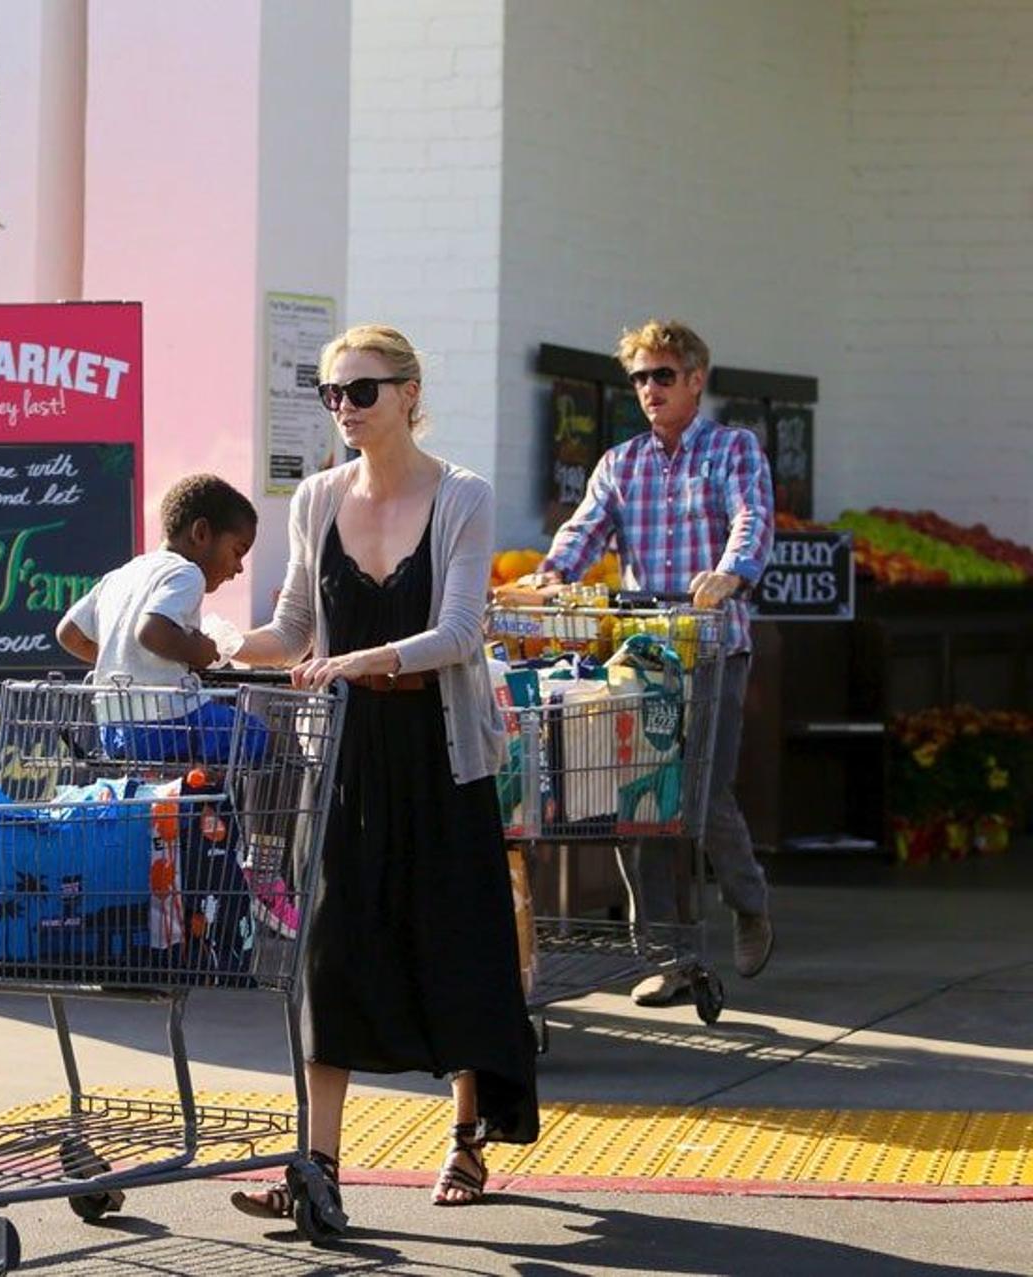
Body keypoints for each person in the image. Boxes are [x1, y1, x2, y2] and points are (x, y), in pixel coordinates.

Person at [230, 324, 538, 1229]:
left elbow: (460, 633)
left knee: (455, 946)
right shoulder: (317, 497)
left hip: (442, 760)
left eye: (360, 391)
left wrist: (358, 659)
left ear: (409, 393)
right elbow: (291, 625)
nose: (343, 410)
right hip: (350, 765)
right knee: (332, 955)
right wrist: (215, 643)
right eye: (331, 393)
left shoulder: (463, 497)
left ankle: (467, 1135)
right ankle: (316, 1166)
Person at [531, 319, 775, 1006]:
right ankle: (667, 955)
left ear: (696, 379)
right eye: (639, 377)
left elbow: (751, 518)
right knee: (640, 797)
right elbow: (582, 531)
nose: (648, 389)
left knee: (704, 788)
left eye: (662, 375)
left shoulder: (733, 449)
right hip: (644, 657)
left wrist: (730, 572)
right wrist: (550, 577)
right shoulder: (621, 463)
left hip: (714, 645)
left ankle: (748, 900)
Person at [55, 473, 259, 763]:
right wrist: (200, 651)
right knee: (255, 733)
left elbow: (68, 634)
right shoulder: (187, 574)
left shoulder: (122, 574)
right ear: (201, 533)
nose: (239, 568)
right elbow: (152, 632)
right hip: (168, 722)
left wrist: (127, 658)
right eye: (238, 552)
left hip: (113, 729)